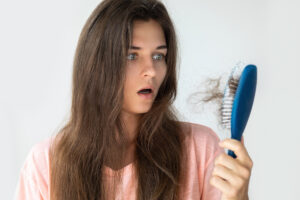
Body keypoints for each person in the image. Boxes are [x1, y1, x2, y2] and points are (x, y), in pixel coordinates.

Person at [14, 0, 253, 199]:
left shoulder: (199, 149)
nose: (151, 70)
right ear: (96, 65)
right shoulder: (46, 164)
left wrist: (239, 197)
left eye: (159, 56)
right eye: (132, 55)